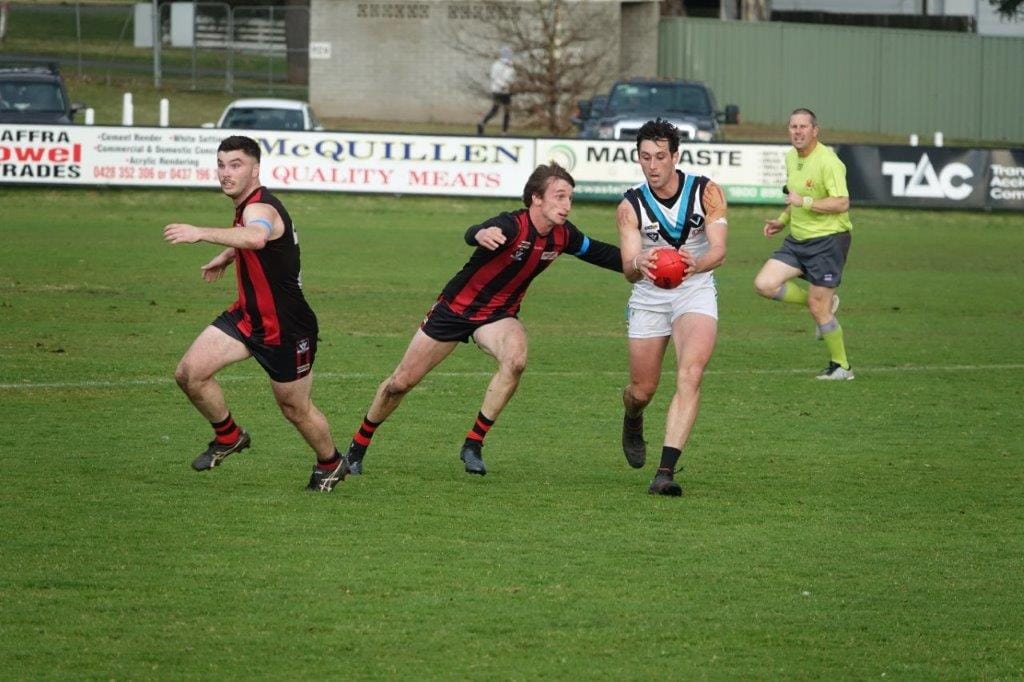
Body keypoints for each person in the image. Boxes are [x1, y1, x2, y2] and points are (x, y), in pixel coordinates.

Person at [344, 163, 622, 477]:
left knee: (515, 360)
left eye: (570, 197)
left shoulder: (564, 235)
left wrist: (638, 262)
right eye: (559, 196)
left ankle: (473, 443)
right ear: (536, 198)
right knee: (400, 384)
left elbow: (599, 252)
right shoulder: (511, 225)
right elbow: (475, 232)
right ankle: (358, 446)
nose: (567, 205)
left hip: (498, 316)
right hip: (455, 311)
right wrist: (480, 233)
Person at [163, 135, 349, 493]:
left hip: (287, 328)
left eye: (236, 165)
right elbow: (251, 240)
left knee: (294, 409)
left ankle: (331, 463)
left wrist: (200, 233)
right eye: (221, 165)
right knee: (189, 373)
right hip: (248, 317)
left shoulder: (260, 208)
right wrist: (227, 256)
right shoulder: (247, 206)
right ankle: (229, 436)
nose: (226, 173)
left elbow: (257, 237)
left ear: (256, 169)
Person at [617, 118, 729, 496]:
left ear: (675, 156)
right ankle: (633, 416)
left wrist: (698, 264)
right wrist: (639, 263)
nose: (652, 165)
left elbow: (719, 250)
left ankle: (665, 472)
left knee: (690, 373)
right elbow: (628, 270)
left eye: (660, 156)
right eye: (645, 157)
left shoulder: (706, 192)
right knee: (642, 390)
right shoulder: (630, 206)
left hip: (694, 289)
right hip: (649, 297)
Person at [753, 108, 854, 380]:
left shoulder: (829, 162)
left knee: (818, 307)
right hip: (797, 240)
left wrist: (805, 202)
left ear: (815, 130)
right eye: (793, 126)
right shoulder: (791, 157)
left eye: (803, 127)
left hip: (828, 241)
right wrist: (782, 220)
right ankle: (824, 303)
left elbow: (842, 202)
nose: (797, 131)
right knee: (764, 284)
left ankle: (842, 367)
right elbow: (795, 199)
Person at [476, 45, 515, 135]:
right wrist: (502, 85)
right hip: (498, 91)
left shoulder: (510, 66)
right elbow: (494, 77)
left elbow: (511, 78)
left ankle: (504, 131)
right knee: (495, 110)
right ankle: (482, 123)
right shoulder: (497, 65)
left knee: (507, 110)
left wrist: (509, 85)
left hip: (506, 92)